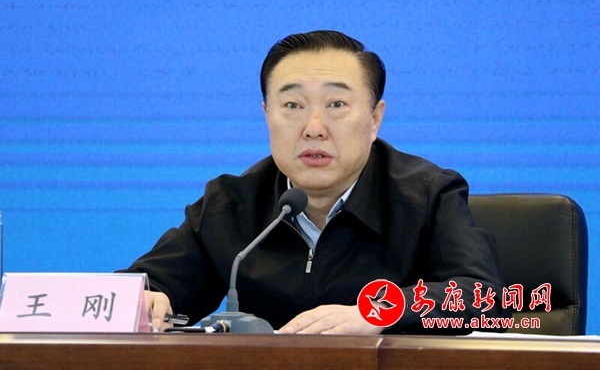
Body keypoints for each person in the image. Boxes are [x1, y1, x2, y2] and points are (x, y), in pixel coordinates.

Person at [121, 30, 510, 334]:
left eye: (336, 105)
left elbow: (484, 298)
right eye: (293, 105)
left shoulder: (427, 195)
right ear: (267, 114)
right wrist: (146, 300)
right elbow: (140, 287)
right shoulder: (231, 204)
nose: (313, 128)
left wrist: (380, 313)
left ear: (374, 118)